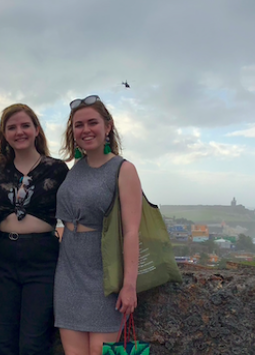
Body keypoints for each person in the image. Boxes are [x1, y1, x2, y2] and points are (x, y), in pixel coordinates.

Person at [0, 103, 69, 355]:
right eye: (11, 127)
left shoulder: (57, 170)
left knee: (33, 343)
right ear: (4, 135)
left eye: (25, 125)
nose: (19, 132)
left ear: (37, 130)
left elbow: (71, 219)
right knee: (5, 342)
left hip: (42, 258)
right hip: (2, 257)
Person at [54, 95, 143, 355]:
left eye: (92, 122)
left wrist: (129, 285)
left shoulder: (123, 169)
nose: (85, 130)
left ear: (108, 126)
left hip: (105, 278)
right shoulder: (75, 169)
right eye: (78, 125)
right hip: (68, 274)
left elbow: (131, 231)